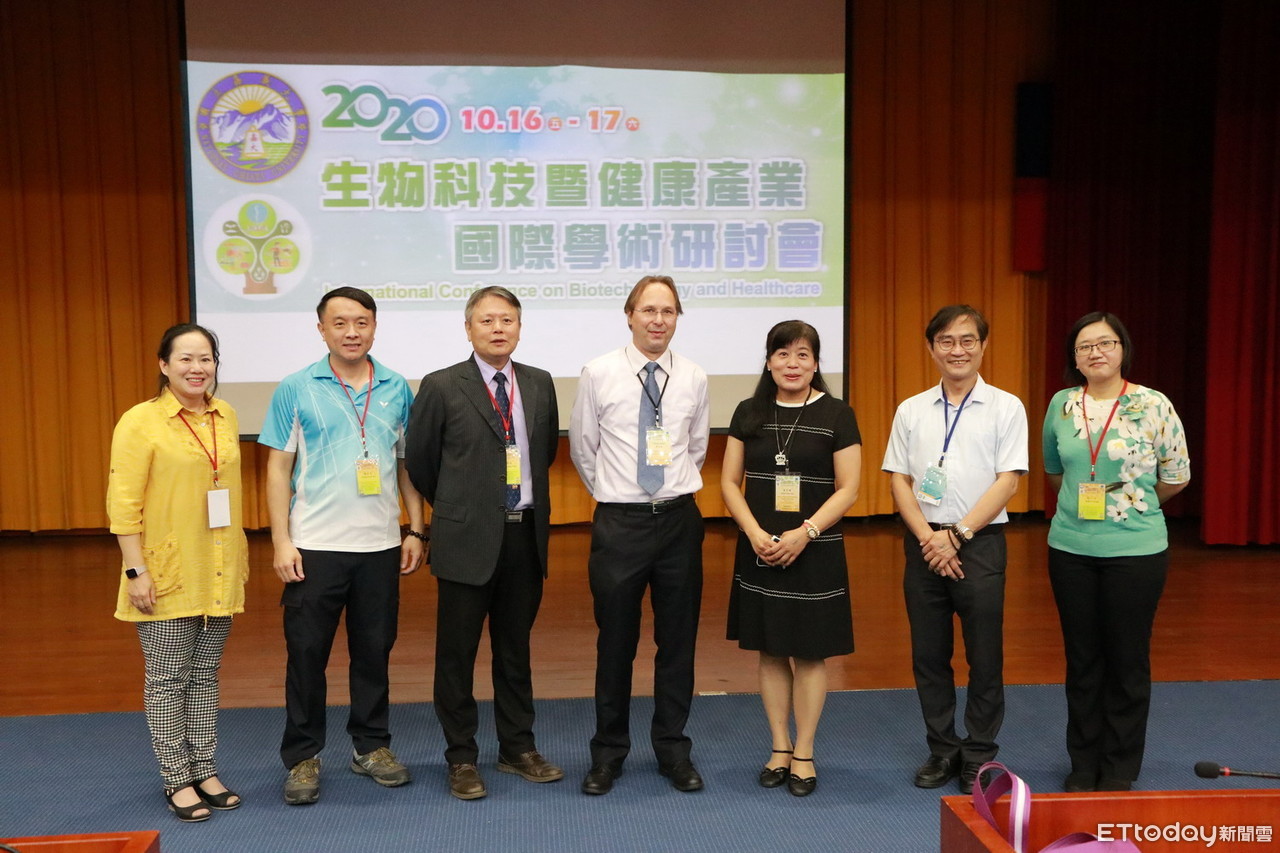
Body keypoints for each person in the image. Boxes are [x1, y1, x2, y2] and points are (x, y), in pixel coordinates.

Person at [260, 286, 427, 805]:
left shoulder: (398, 388)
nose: (351, 332)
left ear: (374, 327)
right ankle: (303, 756)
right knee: (306, 656)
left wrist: (415, 528)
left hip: (379, 547)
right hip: (313, 546)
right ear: (321, 329)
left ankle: (370, 747)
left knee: (374, 653)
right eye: (340, 323)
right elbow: (277, 468)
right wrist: (281, 540)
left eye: (361, 322)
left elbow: (406, 464)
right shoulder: (296, 388)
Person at [405, 286, 563, 800]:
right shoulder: (442, 385)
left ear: (519, 326)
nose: (498, 329)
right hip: (466, 536)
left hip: (524, 536)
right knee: (457, 655)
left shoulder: (539, 382)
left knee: (515, 651)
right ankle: (461, 757)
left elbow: (543, 454)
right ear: (468, 328)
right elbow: (421, 461)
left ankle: (518, 748)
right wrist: (461, 506)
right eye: (487, 320)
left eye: (507, 320)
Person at [569, 274, 710, 796]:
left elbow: (695, 448)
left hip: (678, 521)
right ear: (629, 316)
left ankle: (673, 751)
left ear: (677, 319)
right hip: (620, 525)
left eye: (668, 311)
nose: (658, 320)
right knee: (615, 644)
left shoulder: (694, 376)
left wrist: (665, 493)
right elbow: (584, 448)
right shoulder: (599, 372)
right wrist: (617, 495)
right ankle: (608, 754)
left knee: (677, 643)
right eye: (648, 310)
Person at [881, 305, 1028, 794]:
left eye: (967, 340)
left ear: (983, 346)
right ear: (931, 348)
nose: (957, 350)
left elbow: (1008, 481)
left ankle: (979, 753)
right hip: (924, 544)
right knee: (929, 654)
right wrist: (930, 538)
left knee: (984, 656)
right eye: (946, 341)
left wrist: (957, 535)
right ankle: (942, 748)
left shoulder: (1006, 407)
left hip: (979, 544)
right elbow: (898, 480)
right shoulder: (911, 409)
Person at [1042, 311, 1190, 792]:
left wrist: (1132, 506)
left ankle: (1120, 766)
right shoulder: (1062, 405)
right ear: (1075, 358)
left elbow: (1176, 477)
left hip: (1137, 552)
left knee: (1127, 660)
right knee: (1082, 660)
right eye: (1085, 346)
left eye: (1105, 343)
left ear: (1123, 349)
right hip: (1071, 549)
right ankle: (1084, 762)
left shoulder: (1154, 404)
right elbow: (1054, 470)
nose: (1096, 352)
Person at [107, 323, 249, 822]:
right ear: (164, 365)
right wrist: (135, 571)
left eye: (206, 358)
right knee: (168, 679)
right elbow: (122, 505)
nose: (197, 368)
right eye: (185, 359)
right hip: (165, 569)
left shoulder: (225, 415)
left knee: (205, 676)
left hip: (217, 567)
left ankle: (204, 769)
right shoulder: (140, 421)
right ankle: (176, 778)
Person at [720, 320, 861, 797]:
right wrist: (754, 533)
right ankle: (779, 746)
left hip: (815, 550)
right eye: (783, 354)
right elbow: (729, 483)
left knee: (810, 652)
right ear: (768, 361)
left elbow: (849, 488)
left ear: (816, 363)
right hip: (761, 549)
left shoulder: (838, 414)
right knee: (771, 648)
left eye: (803, 355)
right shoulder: (748, 412)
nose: (792, 364)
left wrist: (806, 532)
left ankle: (804, 750)